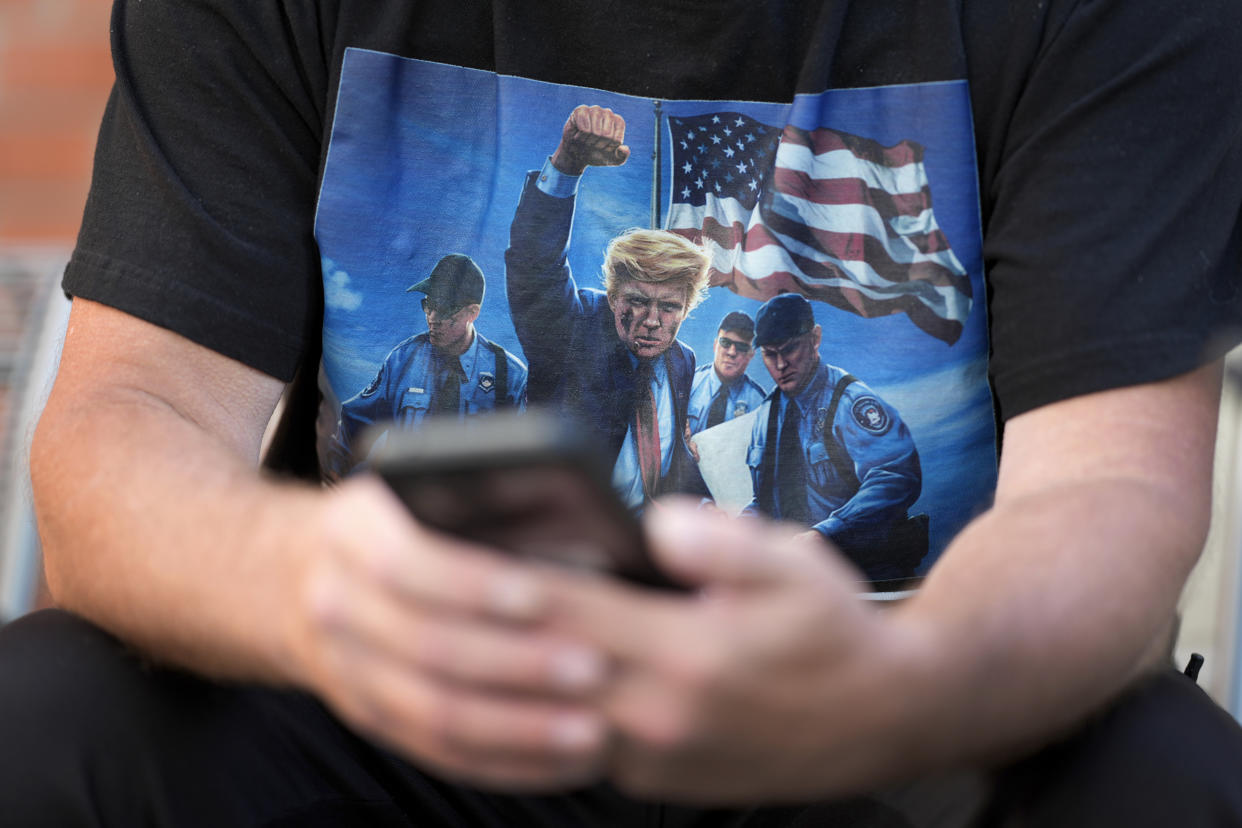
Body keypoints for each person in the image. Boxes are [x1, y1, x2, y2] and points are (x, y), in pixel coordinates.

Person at [4, 1, 1242, 826]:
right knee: (47, 715)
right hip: (421, 685)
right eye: (634, 291)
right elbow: (131, 416)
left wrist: (892, 677)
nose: (646, 311)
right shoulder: (565, 324)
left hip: (883, 705)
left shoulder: (728, 385)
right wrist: (316, 584)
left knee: (1172, 786)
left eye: (667, 297)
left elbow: (1110, 484)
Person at [506, 108, 709, 507]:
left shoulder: (682, 361)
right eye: (636, 301)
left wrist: (703, 504)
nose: (652, 321)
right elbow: (535, 263)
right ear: (613, 295)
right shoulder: (572, 327)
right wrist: (568, 164)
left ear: (687, 307)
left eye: (669, 307)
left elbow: (667, 455)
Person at [742, 294, 924, 581]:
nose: (780, 365)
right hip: (796, 580)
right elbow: (767, 496)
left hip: (865, 577)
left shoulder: (851, 403)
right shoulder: (766, 415)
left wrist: (825, 533)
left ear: (815, 339)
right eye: (769, 354)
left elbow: (895, 476)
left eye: (789, 350)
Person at [326, 253, 527, 476]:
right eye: (428, 304)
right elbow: (353, 425)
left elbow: (525, 464)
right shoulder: (403, 360)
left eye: (445, 309)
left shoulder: (509, 375)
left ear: (473, 313)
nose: (432, 317)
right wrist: (333, 482)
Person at [685, 310, 767, 435]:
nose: (732, 352)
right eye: (725, 343)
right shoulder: (688, 384)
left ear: (751, 354)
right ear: (715, 345)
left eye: (741, 347)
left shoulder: (759, 404)